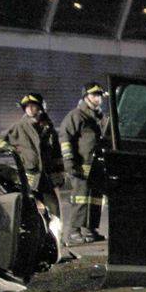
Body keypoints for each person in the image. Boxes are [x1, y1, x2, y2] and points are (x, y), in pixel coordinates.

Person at [0, 93, 64, 217]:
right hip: (29, 177)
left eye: (33, 106)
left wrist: (59, 174)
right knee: (32, 210)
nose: (30, 109)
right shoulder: (19, 126)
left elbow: (56, 154)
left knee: (54, 210)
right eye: (26, 106)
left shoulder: (48, 128)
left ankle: (54, 234)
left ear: (41, 108)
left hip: (46, 177)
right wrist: (8, 147)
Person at [59, 82, 108, 246]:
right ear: (85, 97)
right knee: (80, 199)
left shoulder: (99, 116)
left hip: (96, 165)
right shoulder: (77, 115)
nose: (97, 98)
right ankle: (73, 232)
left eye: (99, 95)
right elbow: (65, 138)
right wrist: (69, 161)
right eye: (94, 95)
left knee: (94, 199)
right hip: (81, 165)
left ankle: (90, 230)